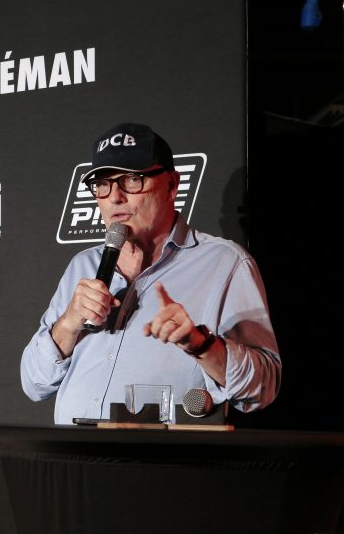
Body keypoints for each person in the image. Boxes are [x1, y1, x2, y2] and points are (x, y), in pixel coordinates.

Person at [20, 123, 281, 425]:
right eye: (102, 184)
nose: (114, 197)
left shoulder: (225, 263)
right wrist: (67, 324)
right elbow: (34, 384)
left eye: (132, 179)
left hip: (155, 453)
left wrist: (202, 345)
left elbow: (263, 388)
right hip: (73, 452)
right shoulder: (83, 265)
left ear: (171, 184)